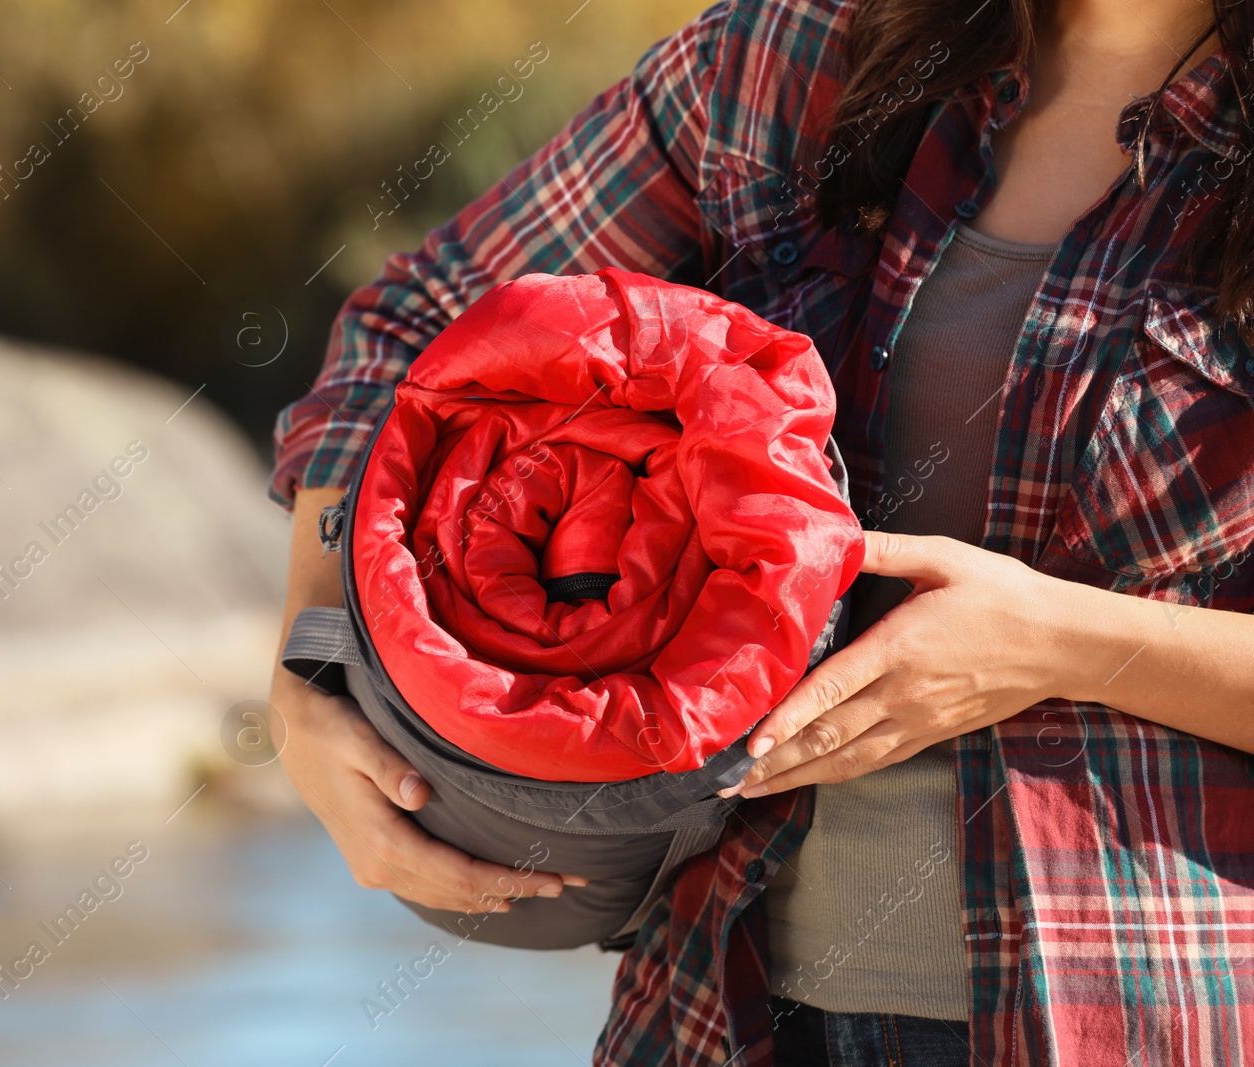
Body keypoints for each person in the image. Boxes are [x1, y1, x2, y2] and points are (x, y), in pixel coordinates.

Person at [268, 0, 1254, 1063]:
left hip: (1156, 1017)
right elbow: (415, 330)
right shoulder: (783, 63)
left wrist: (1062, 643)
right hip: (714, 1011)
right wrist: (311, 657)